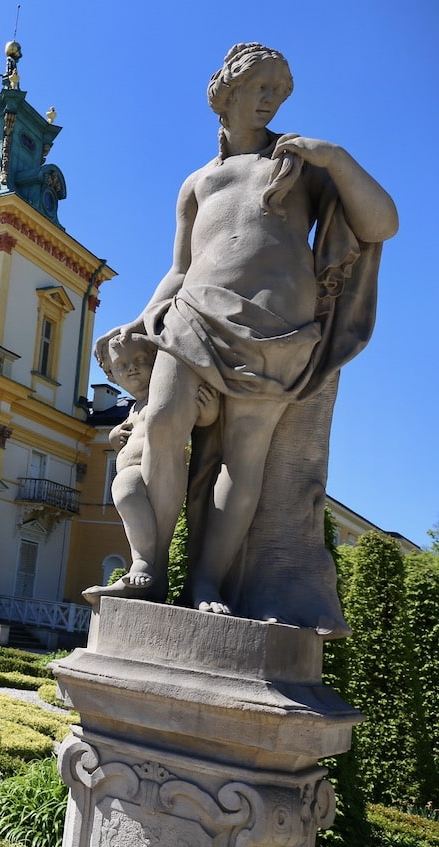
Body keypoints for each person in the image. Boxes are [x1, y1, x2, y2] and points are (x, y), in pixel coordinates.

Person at [111, 43, 396, 615]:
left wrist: (336, 159)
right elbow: (180, 267)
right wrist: (144, 316)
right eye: (261, 85)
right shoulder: (197, 182)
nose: (272, 98)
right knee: (164, 423)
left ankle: (208, 582)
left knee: (245, 463)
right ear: (227, 90)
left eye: (280, 90)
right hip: (192, 313)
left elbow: (382, 223)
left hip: (278, 331)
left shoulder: (299, 165)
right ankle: (149, 565)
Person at [83, 331, 217, 604]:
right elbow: (127, 437)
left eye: (140, 359)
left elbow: (197, 420)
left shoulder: (165, 395)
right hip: (137, 474)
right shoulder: (133, 408)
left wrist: (209, 411)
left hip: (160, 473)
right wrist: (113, 438)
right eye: (121, 365)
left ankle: (142, 564)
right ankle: (154, 578)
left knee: (124, 487)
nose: (131, 368)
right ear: (111, 375)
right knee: (139, 514)